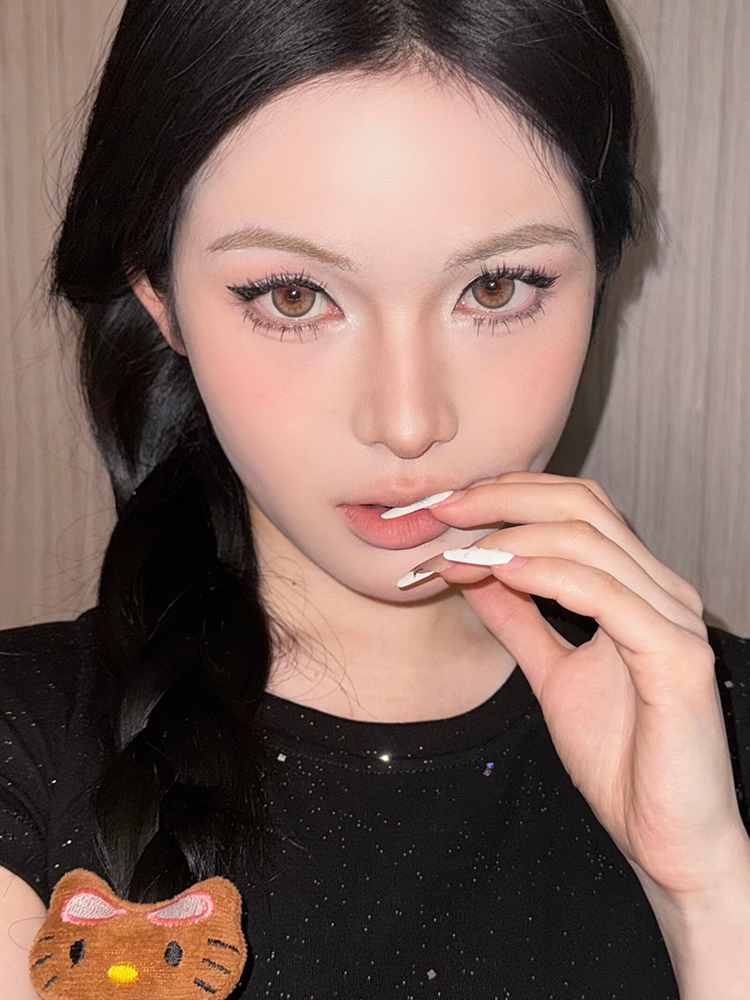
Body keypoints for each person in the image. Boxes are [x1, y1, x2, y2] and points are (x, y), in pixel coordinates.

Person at [2, 0, 749, 997]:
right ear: (160, 298)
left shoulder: (716, 734)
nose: (408, 421)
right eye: (294, 296)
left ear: (601, 275)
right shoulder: (20, 753)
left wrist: (708, 895)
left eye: (496, 288)